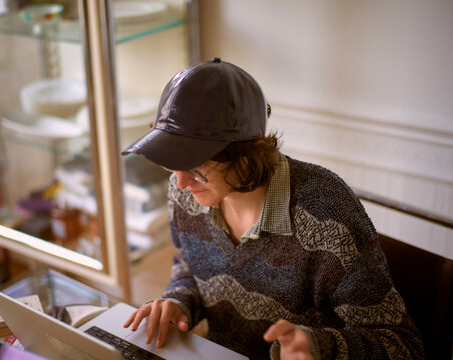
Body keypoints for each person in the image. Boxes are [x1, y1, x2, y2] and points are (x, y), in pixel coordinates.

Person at [121, 57, 424, 359]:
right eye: (171, 164)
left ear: (249, 152)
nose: (181, 182)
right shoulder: (185, 192)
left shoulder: (329, 213)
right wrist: (179, 301)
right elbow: (190, 267)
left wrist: (321, 348)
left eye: (196, 165)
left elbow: (401, 346)